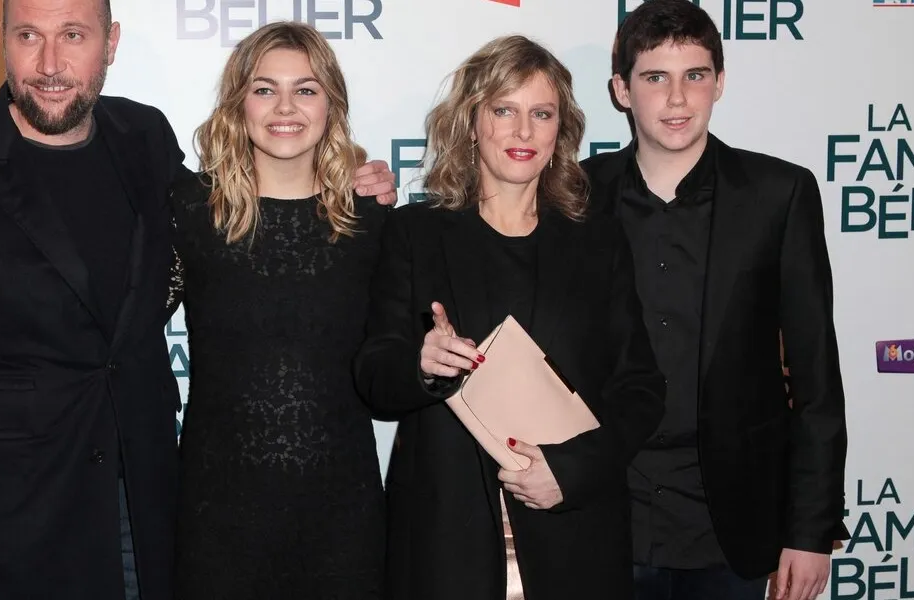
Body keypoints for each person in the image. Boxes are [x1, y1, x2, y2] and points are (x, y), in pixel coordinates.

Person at [0, 1, 397, 598]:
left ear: (109, 44)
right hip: (5, 528)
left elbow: (247, 228)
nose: (51, 62)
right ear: (1, 41)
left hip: (146, 510)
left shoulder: (143, 139)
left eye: (73, 36)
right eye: (29, 35)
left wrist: (352, 182)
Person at [353, 35, 666, 600]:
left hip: (574, 534)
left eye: (541, 114)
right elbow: (375, 376)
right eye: (504, 110)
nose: (523, 132)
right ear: (472, 123)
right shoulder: (415, 233)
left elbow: (640, 387)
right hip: (448, 540)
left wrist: (572, 470)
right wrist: (422, 365)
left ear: (560, 131)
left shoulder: (598, 239)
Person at [582, 1, 850, 599]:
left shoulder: (780, 195)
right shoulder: (574, 195)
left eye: (695, 76)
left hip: (732, 528)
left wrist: (810, 531)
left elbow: (816, 379)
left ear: (720, 83)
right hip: (602, 518)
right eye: (655, 77)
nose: (677, 99)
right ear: (622, 90)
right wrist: (376, 192)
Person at [169, 21, 387, 599]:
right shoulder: (191, 213)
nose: (285, 107)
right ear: (238, 102)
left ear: (331, 106)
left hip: (345, 520)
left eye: (306, 89)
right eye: (265, 89)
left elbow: (396, 362)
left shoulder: (372, 222)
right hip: (218, 521)